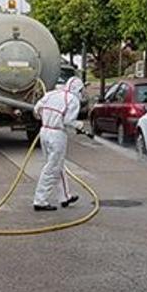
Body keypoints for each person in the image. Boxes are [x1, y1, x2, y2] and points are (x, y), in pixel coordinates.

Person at [31, 76, 85, 211]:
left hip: (44, 132)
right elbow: (68, 121)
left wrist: (47, 119)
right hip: (57, 135)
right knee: (52, 168)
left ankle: (65, 197)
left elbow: (36, 110)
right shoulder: (72, 100)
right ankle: (40, 200)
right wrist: (79, 125)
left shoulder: (51, 94)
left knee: (58, 166)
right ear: (77, 89)